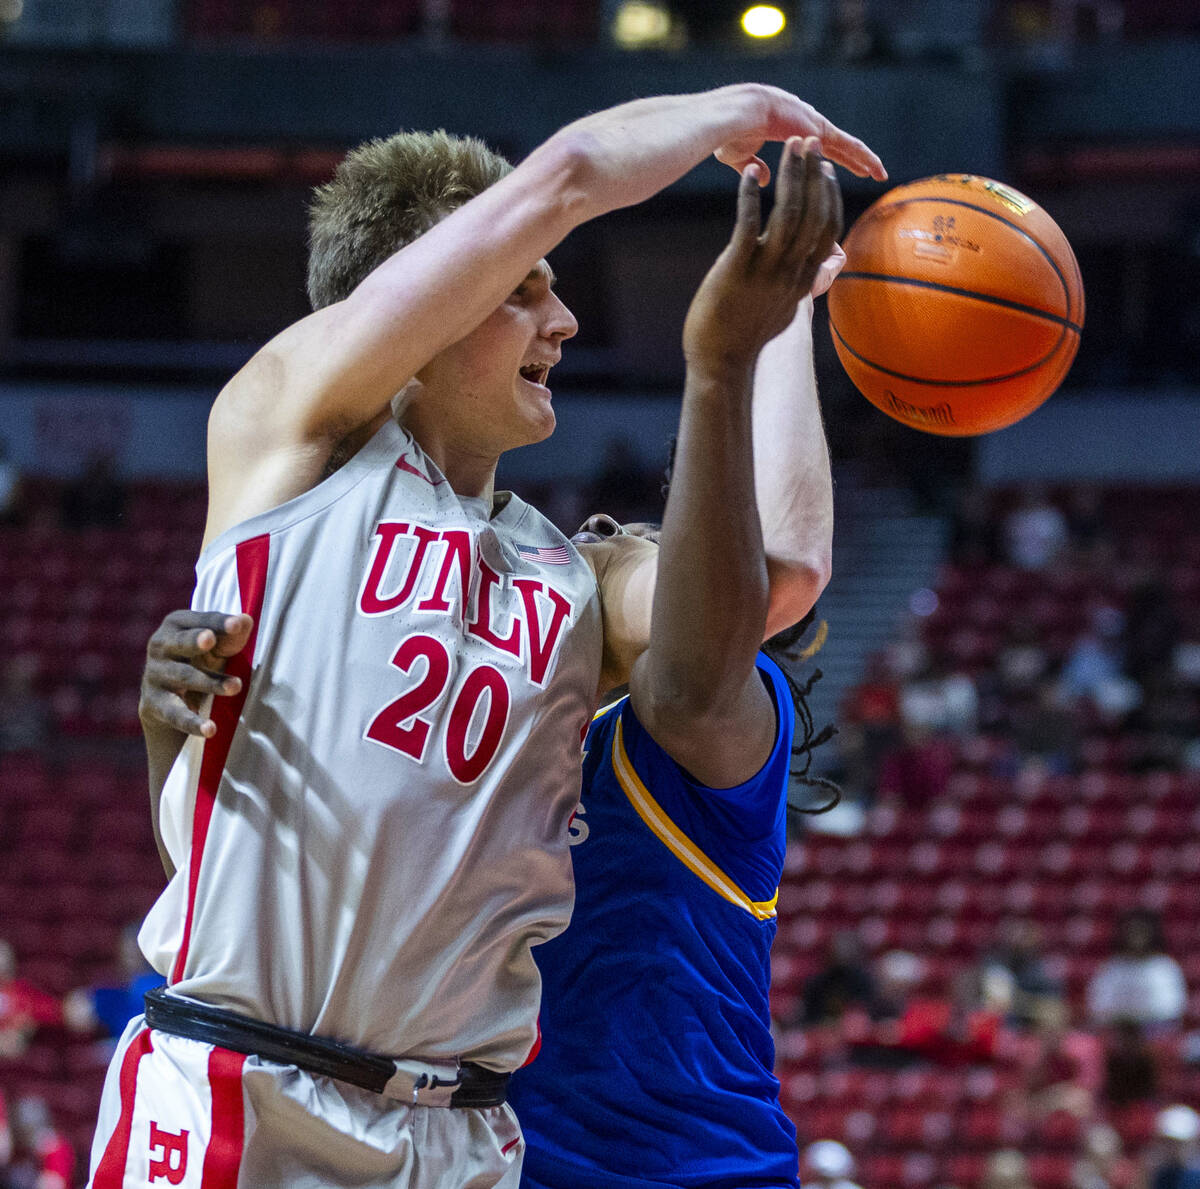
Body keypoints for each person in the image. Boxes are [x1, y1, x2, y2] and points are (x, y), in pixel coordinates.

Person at [95, 92, 883, 1189]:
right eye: (523, 291)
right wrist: (732, 110)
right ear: (428, 306)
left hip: (464, 1133)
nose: (562, 323)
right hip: (250, 1090)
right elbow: (570, 171)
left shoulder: (566, 574)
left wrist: (750, 345)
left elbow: (771, 581)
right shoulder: (293, 437)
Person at [1087, 909, 1187, 1029]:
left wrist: (1135, 1019)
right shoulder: (1111, 967)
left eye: (1141, 931)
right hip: (1117, 1032)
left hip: (1155, 1033)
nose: (1136, 937)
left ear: (1152, 933)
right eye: (1132, 931)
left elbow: (1171, 1009)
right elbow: (1098, 1008)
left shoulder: (1165, 967)